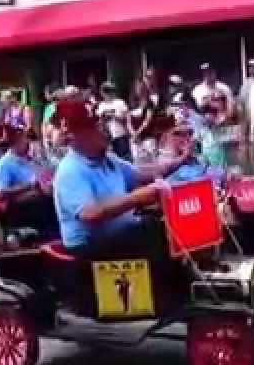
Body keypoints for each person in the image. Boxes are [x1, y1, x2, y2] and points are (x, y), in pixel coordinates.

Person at [51, 97, 187, 254]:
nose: (103, 129)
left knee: (158, 225)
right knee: (152, 234)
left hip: (120, 236)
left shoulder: (109, 160)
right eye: (95, 127)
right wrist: (137, 198)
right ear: (75, 136)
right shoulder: (70, 169)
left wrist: (180, 161)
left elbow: (142, 173)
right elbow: (90, 213)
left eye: (102, 123)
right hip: (89, 247)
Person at [95, 82, 131, 160]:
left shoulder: (120, 103)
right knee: (112, 161)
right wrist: (103, 119)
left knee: (124, 159)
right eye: (105, 91)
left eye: (109, 90)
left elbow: (126, 120)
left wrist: (113, 116)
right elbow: (100, 122)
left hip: (120, 135)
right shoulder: (101, 105)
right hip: (108, 138)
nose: (108, 93)